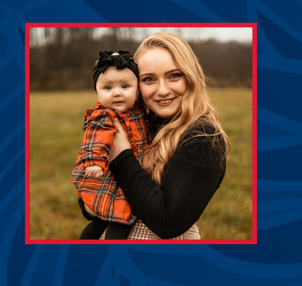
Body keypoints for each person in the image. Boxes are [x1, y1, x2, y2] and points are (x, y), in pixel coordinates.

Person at [79, 32, 230, 240]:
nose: (162, 90)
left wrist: (122, 156)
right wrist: (93, 203)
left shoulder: (202, 137)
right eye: (149, 79)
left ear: (191, 76)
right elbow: (92, 199)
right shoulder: (144, 123)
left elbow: (168, 222)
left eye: (174, 76)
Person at [72, 50, 150, 238]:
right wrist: (93, 161)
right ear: (97, 91)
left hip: (131, 173)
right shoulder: (103, 115)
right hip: (109, 178)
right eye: (107, 88)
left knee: (110, 217)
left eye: (125, 86)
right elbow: (94, 138)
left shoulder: (138, 111)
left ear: (137, 89)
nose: (116, 93)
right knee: (118, 218)